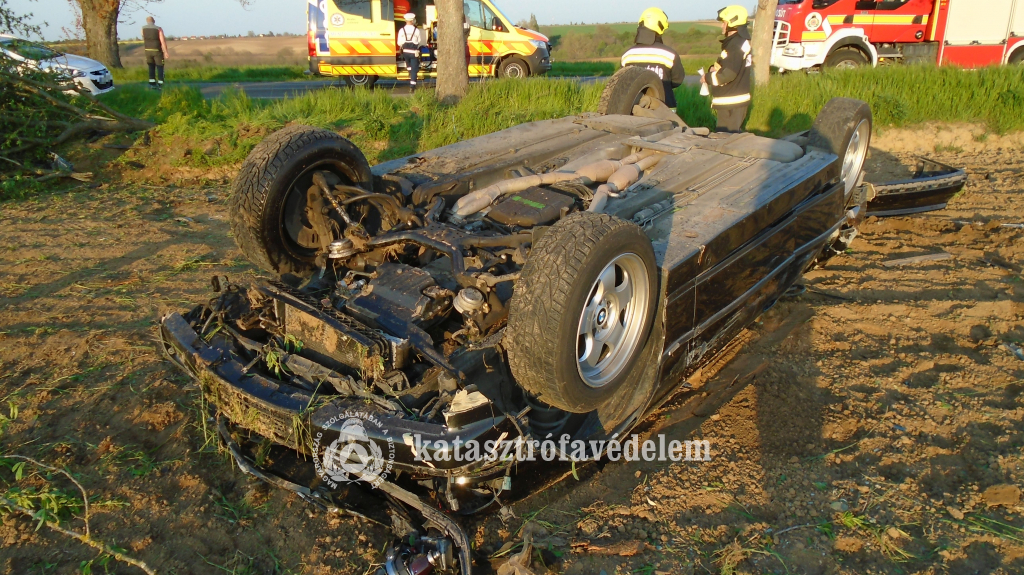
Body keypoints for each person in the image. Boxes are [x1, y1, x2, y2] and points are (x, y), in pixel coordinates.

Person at [620, 8, 685, 108]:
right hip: (665, 109)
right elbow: (677, 81)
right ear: (660, 27)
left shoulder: (627, 56)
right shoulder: (670, 54)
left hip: (633, 112)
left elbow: (622, 83)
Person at [701, 6, 752, 132]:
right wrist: (714, 68)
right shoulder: (736, 42)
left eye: (724, 23)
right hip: (731, 102)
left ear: (732, 23)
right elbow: (729, 65)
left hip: (731, 104)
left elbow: (728, 74)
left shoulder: (736, 44)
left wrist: (707, 78)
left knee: (726, 141)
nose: (722, 26)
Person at [397, 13, 424, 91]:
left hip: (405, 52)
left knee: (409, 66)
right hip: (414, 52)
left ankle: (409, 72)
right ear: (413, 20)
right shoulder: (416, 30)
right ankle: (412, 86)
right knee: (414, 69)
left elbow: (399, 43)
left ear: (405, 20)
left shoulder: (402, 30)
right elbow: (419, 41)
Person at [141, 16, 169, 90]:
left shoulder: (143, 28)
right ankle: (160, 84)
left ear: (147, 21)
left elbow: (143, 37)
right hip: (157, 50)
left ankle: (152, 84)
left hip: (147, 50)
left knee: (151, 66)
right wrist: (165, 52)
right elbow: (162, 41)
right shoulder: (158, 29)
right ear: (154, 21)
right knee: (160, 66)